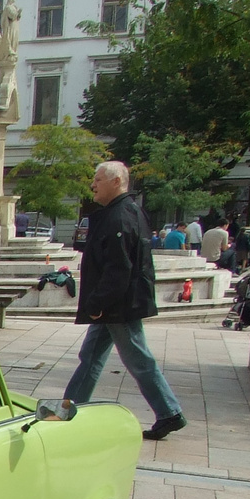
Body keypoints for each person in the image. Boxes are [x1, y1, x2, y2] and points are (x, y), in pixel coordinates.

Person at [61, 160, 185, 440]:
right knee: (90, 357)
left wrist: (98, 303)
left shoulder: (120, 215)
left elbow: (119, 267)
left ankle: (169, 412)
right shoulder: (123, 212)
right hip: (115, 303)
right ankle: (68, 409)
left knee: (137, 358)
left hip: (118, 305)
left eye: (98, 179)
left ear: (116, 182)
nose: (93, 184)